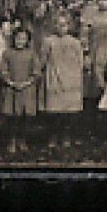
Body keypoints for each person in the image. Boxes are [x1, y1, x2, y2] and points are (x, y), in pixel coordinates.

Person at [37, 13, 84, 149]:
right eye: (58, 24)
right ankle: (53, 136)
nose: (61, 28)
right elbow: (43, 60)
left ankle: (66, 136)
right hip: (54, 77)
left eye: (64, 25)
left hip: (71, 79)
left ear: (69, 26)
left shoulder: (75, 42)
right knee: (54, 111)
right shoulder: (48, 41)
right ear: (54, 25)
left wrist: (75, 75)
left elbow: (80, 61)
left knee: (69, 112)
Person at [0, 26, 40, 153]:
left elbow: (36, 71)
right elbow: (3, 71)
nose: (20, 41)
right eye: (18, 38)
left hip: (27, 89)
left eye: (23, 39)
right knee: (12, 117)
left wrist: (27, 83)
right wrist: (11, 82)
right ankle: (11, 140)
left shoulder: (32, 54)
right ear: (13, 39)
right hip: (11, 89)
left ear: (27, 40)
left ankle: (22, 140)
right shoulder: (7, 53)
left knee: (25, 117)